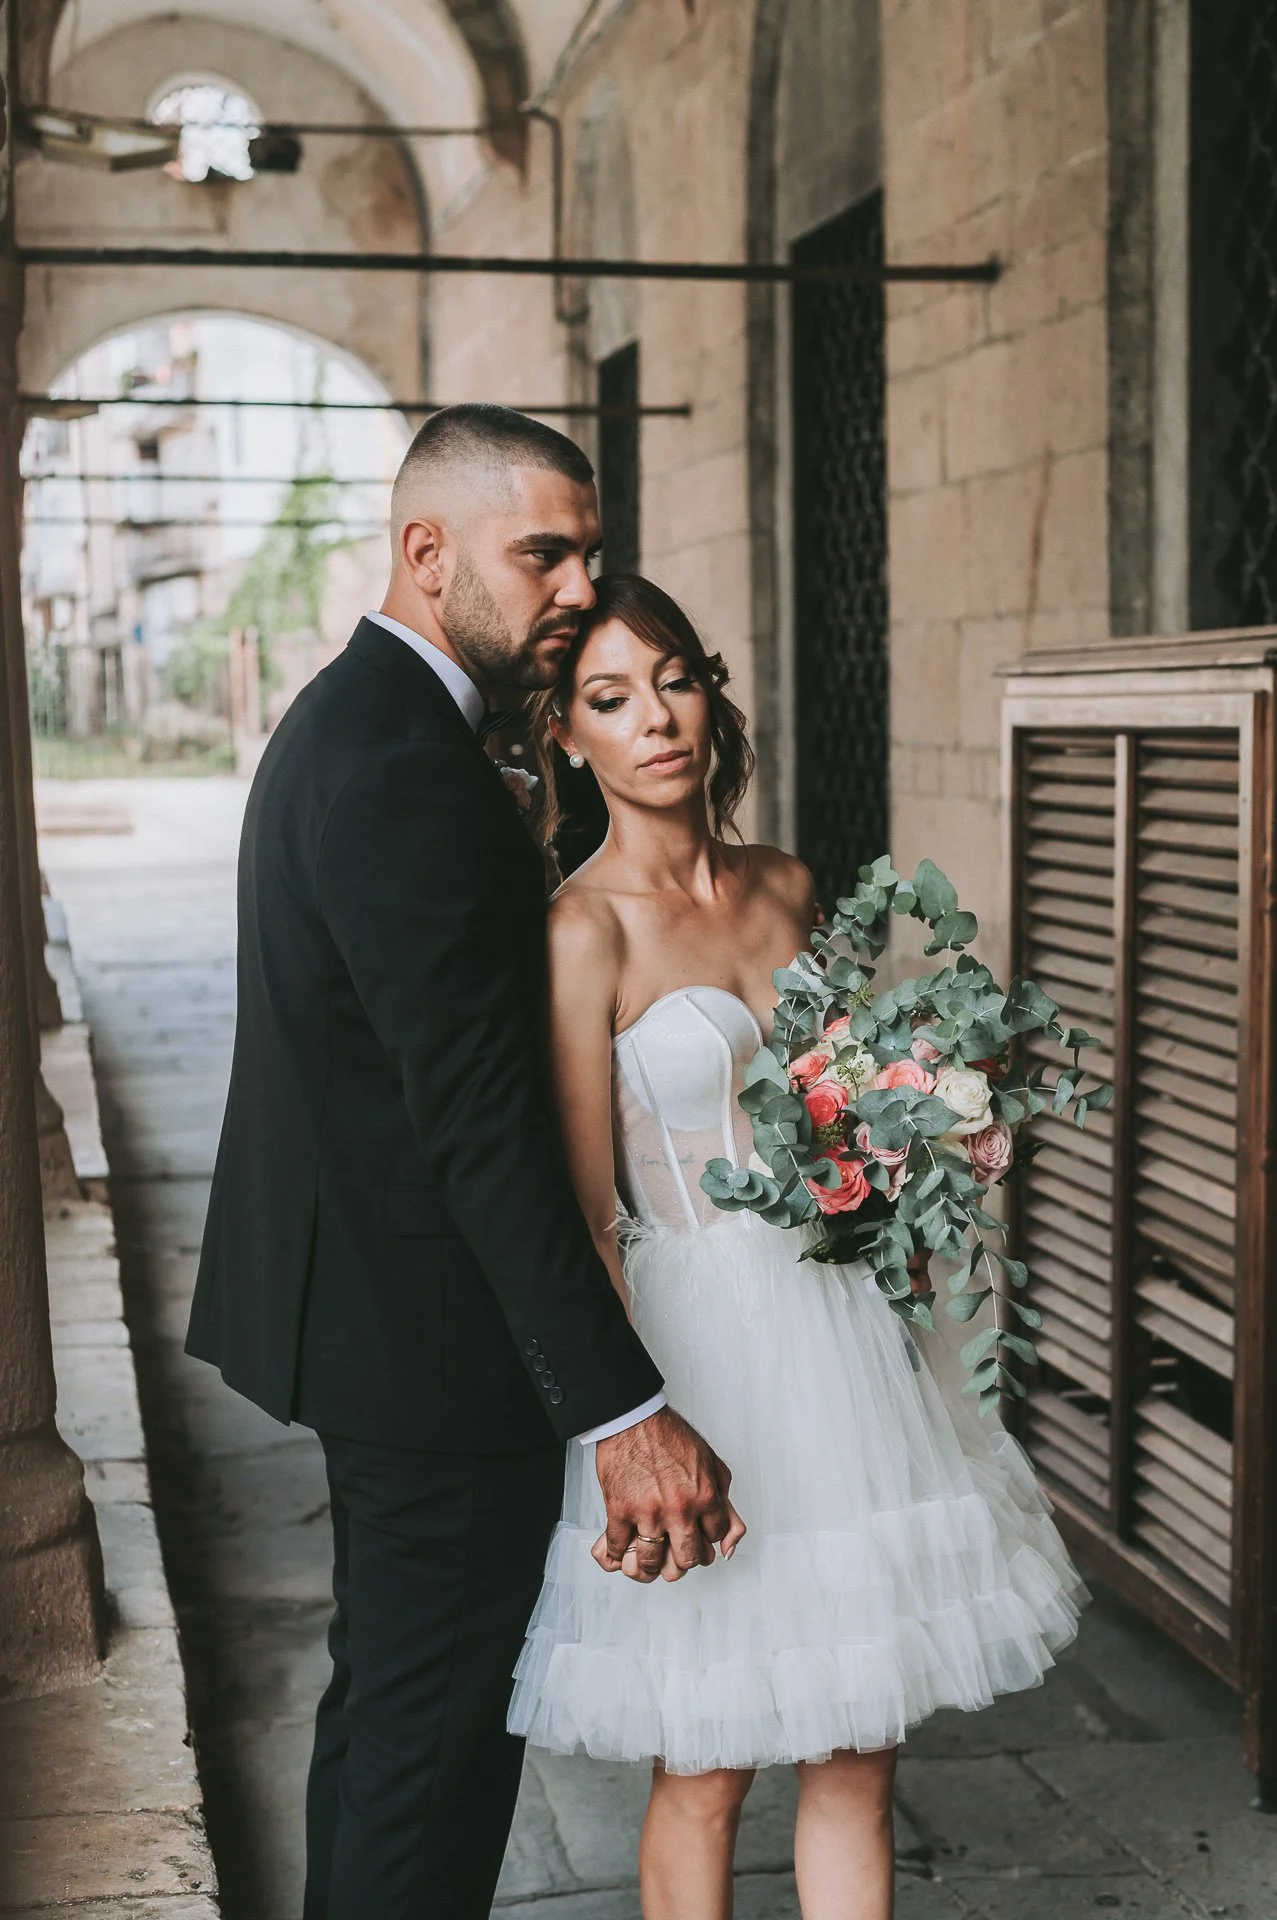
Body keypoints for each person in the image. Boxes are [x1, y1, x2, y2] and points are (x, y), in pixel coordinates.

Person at [185, 408, 743, 1920]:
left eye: (590, 556)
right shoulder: (398, 763)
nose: (579, 587)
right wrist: (622, 1409)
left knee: (394, 1727)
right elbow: (479, 1121)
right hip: (424, 1343)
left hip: (373, 1317)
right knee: (431, 1760)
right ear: (426, 552)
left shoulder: (372, 723)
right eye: (543, 553)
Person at [509, 573, 1086, 1920]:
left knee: (858, 1741)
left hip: (840, 1325)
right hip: (698, 1345)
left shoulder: (787, 884)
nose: (656, 719)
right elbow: (586, 1210)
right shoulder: (582, 929)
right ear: (569, 738)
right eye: (612, 699)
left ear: (710, 696)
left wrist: (920, 1159)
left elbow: (848, 1098)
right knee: (707, 1755)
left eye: (674, 682)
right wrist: (623, 1423)